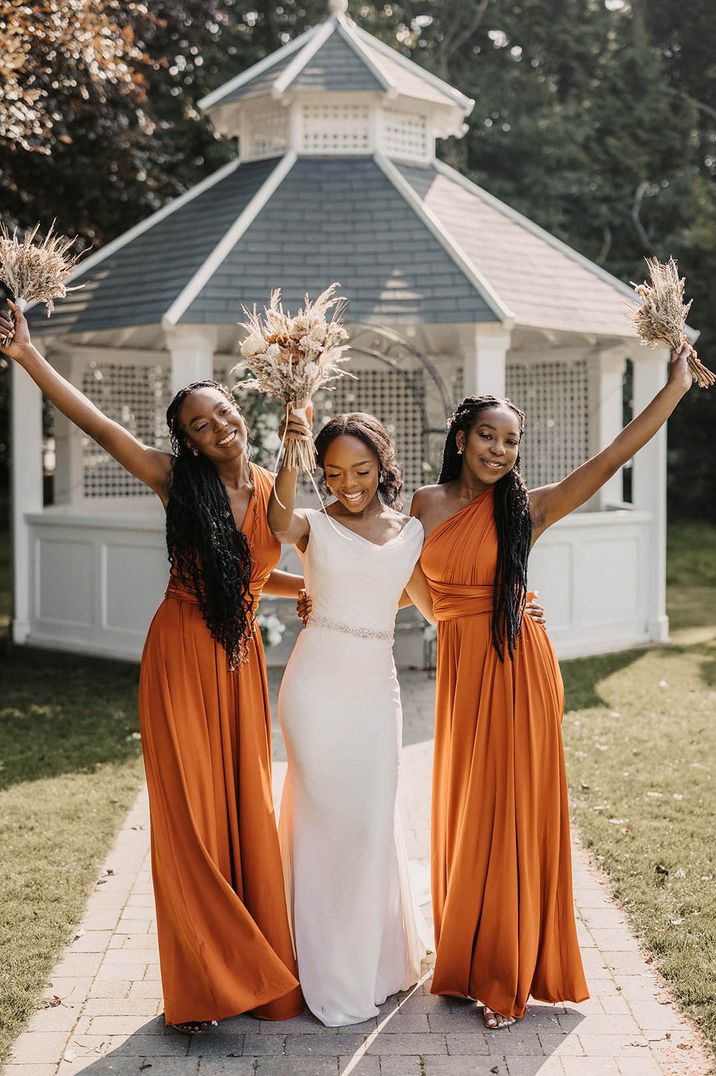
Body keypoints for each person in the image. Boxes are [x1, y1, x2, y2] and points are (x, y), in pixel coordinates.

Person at [0, 300, 304, 1032]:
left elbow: (265, 566)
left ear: (241, 410)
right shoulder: (176, 480)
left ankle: (259, 972)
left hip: (240, 662)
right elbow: (99, 427)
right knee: (192, 820)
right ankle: (206, 981)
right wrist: (28, 358)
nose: (217, 427)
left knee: (245, 809)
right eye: (200, 425)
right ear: (189, 442)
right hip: (181, 655)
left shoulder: (269, 483)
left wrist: (323, 593)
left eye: (223, 412)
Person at [410, 341, 695, 1029]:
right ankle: (465, 954)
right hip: (461, 667)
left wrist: (675, 385)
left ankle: (504, 975)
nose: (501, 450)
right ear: (461, 437)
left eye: (512, 441)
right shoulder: (424, 503)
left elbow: (612, 457)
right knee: (465, 808)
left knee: (507, 815)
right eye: (488, 436)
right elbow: (413, 589)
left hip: (517, 669)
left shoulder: (527, 508)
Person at [267, 411, 434, 1026]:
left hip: (375, 692)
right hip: (313, 690)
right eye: (333, 472)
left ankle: (374, 962)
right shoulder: (314, 525)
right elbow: (277, 521)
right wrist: (291, 447)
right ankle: (323, 968)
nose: (348, 484)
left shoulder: (411, 533)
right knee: (324, 822)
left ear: (382, 465)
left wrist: (516, 603)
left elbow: (439, 608)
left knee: (368, 824)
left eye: (360, 471)